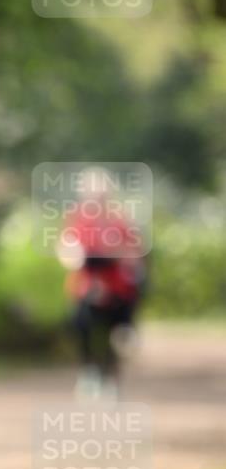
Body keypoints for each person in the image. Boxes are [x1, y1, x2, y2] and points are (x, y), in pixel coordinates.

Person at [57, 167, 146, 399]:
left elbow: (134, 253)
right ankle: (89, 372)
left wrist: (119, 258)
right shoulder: (77, 219)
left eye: (101, 193)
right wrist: (76, 258)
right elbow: (68, 249)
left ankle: (110, 378)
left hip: (118, 289)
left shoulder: (120, 219)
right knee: (80, 327)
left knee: (117, 336)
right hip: (88, 287)